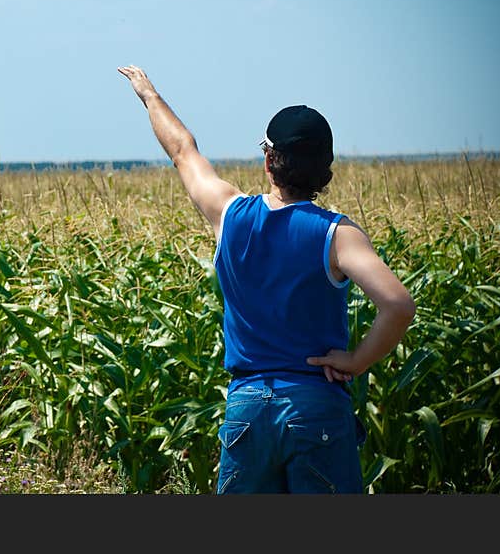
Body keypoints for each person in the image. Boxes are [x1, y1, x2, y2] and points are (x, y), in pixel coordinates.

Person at [117, 65, 416, 493]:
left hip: (248, 408)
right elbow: (399, 306)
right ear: (325, 171)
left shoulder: (230, 213)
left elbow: (183, 150)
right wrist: (356, 361)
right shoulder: (338, 234)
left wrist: (149, 95)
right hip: (317, 407)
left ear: (269, 160)